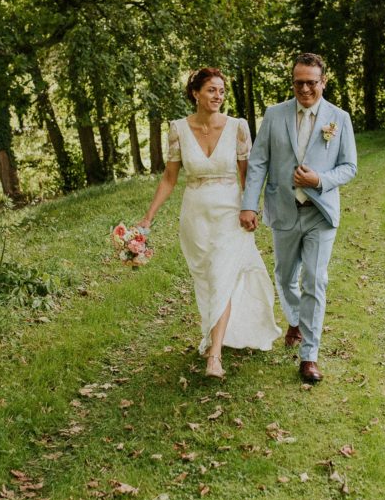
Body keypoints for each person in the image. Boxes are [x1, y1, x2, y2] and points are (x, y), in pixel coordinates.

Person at [139, 68, 281, 378]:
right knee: (206, 279)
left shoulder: (238, 127)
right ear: (195, 93)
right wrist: (149, 216)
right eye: (211, 90)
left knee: (222, 277)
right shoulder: (178, 129)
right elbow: (169, 178)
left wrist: (250, 208)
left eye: (221, 91)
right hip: (196, 217)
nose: (218, 96)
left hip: (230, 213)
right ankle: (216, 334)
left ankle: (214, 356)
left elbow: (248, 174)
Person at [239, 53, 357, 383]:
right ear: (292, 82)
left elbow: (349, 166)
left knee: (315, 280)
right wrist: (249, 204)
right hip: (284, 209)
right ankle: (294, 318)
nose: (304, 89)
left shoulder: (339, 118)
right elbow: (259, 161)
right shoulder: (274, 115)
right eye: (298, 82)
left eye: (311, 82)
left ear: (323, 82)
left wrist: (318, 180)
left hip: (320, 212)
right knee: (285, 274)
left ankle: (310, 356)